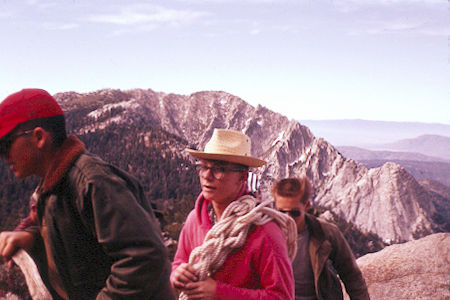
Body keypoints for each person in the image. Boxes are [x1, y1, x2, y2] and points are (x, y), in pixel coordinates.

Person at [0, 89, 175, 299]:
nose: (3, 156)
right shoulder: (54, 185)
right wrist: (31, 237)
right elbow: (78, 240)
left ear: (39, 137)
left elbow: (145, 258)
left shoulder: (92, 183)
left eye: (5, 144)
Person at [170, 128, 296, 300]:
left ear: (243, 177)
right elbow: (179, 261)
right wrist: (177, 274)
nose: (207, 176)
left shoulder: (265, 233)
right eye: (204, 167)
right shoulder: (194, 219)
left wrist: (219, 293)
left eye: (219, 169)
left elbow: (282, 296)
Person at [272, 177, 370, 300]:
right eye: (281, 212)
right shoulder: (268, 234)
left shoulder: (327, 233)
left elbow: (351, 274)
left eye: (295, 213)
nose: (288, 218)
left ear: (306, 206)